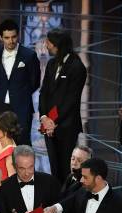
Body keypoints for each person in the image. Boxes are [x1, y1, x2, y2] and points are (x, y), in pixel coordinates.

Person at [39, 28, 87, 183]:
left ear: (58, 45)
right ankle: (56, 201)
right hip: (48, 125)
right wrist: (45, 117)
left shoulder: (77, 66)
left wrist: (53, 121)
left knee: (66, 168)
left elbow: (71, 100)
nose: (46, 45)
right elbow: (44, 92)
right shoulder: (52, 64)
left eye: (49, 42)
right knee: (54, 167)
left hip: (66, 126)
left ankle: (66, 203)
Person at [0, 19, 41, 145]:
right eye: (7, 38)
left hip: (22, 107)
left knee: (22, 143)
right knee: (0, 142)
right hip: (0, 106)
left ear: (18, 35)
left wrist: (21, 93)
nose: (11, 41)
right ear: (0, 37)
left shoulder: (29, 55)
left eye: (13, 37)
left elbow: (35, 81)